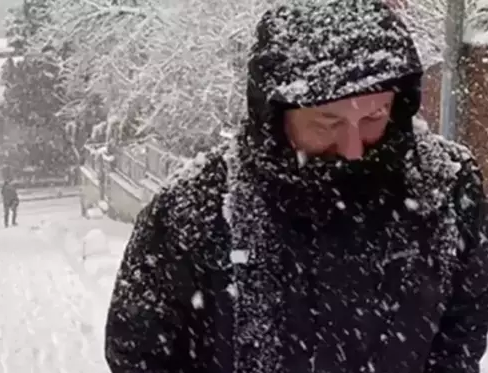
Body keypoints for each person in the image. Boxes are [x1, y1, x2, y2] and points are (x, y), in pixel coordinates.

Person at [104, 1, 488, 373]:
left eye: (374, 116)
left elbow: (461, 336)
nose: (353, 149)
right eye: (326, 124)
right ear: (274, 115)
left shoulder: (447, 188)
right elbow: (140, 354)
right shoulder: (192, 212)